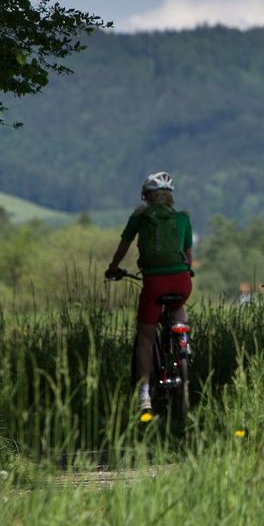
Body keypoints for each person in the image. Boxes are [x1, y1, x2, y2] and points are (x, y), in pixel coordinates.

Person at [105, 171, 194, 412]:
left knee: (146, 337)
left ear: (146, 197)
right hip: (182, 281)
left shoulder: (139, 218)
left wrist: (113, 267)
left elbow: (123, 246)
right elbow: (188, 258)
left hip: (154, 282)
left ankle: (144, 395)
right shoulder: (183, 219)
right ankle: (183, 341)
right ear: (170, 197)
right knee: (178, 308)